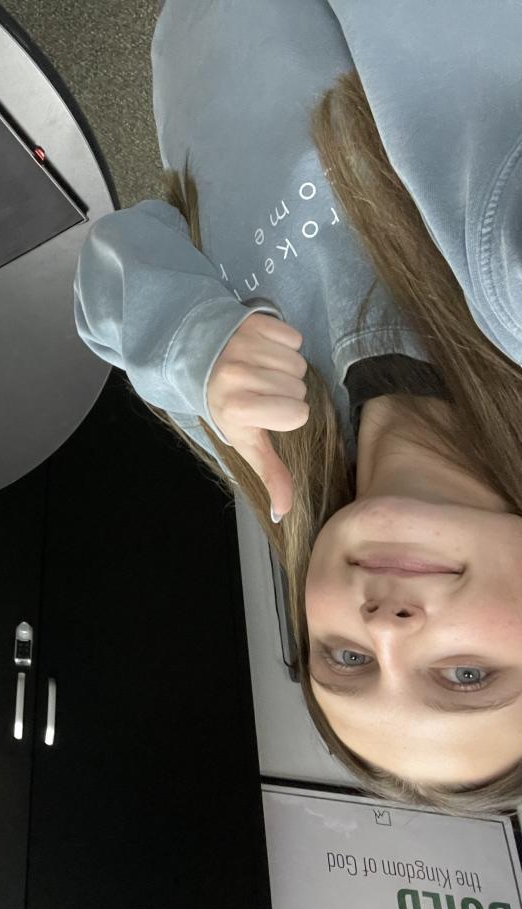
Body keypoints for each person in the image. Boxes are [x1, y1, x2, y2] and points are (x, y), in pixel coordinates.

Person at [74, 0, 522, 812]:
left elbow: (114, 260)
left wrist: (189, 342)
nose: (384, 628)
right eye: (466, 675)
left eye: (346, 660)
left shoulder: (269, 438)